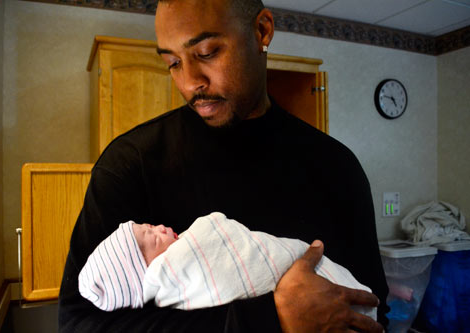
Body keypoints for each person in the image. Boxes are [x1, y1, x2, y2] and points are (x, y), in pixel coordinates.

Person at [58, 0, 389, 331]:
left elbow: (374, 308)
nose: (190, 83)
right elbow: (78, 324)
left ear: (262, 30)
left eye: (206, 53)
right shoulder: (131, 163)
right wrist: (271, 320)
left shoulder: (337, 167)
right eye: (172, 63)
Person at [78, 212, 377, 321]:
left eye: (149, 226)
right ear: (143, 272)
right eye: (151, 239)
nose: (159, 228)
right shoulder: (170, 272)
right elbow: (217, 232)